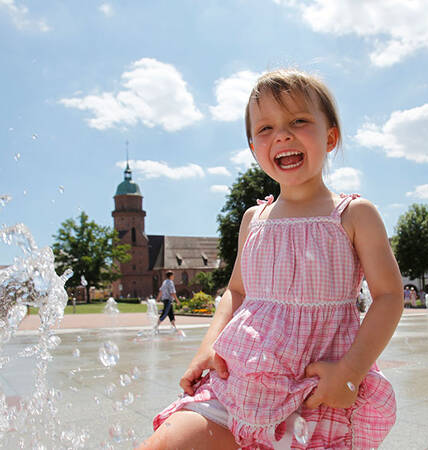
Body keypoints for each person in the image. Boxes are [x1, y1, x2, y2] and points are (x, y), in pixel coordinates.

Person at [142, 69, 402, 450]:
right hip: (238, 380)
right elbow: (236, 291)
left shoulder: (353, 215)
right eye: (265, 128)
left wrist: (350, 371)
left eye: (299, 121)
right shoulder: (254, 219)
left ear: (330, 137)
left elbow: (389, 296)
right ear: (253, 148)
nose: (282, 134)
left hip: (316, 387)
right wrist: (207, 346)